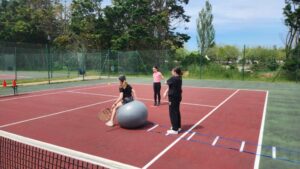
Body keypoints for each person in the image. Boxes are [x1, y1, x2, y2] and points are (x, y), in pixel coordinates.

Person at [163, 67, 183, 135]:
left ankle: (175, 129)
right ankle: (178, 127)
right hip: (178, 97)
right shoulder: (180, 78)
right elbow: (170, 86)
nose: (171, 72)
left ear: (175, 72)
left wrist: (166, 81)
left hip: (173, 98)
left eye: (172, 71)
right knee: (177, 111)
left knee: (173, 112)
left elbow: (166, 82)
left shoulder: (173, 78)